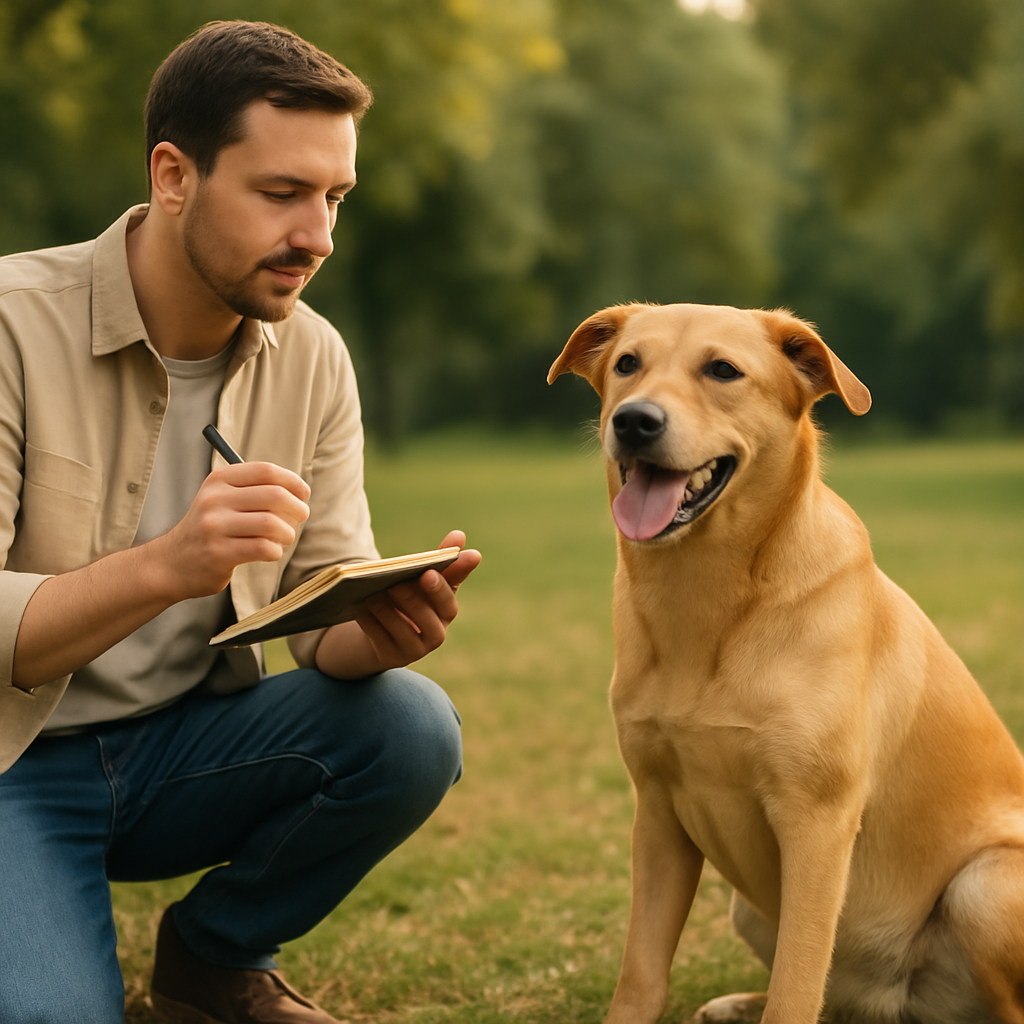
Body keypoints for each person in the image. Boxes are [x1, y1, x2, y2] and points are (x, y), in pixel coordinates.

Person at [0, 20, 481, 1024]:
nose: (319, 237)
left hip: (182, 749)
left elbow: (319, 620)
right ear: (173, 174)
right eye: (280, 195)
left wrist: (377, 629)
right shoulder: (10, 324)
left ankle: (214, 959)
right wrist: (169, 563)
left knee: (410, 724)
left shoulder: (313, 356)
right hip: (12, 766)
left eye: (334, 197)